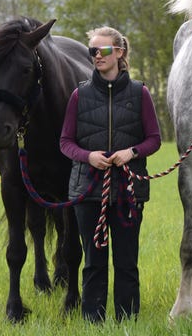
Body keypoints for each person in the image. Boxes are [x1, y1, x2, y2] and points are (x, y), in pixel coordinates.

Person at [60, 26, 161, 323]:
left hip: (129, 191)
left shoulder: (140, 93)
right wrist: (89, 156)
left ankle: (127, 321)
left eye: (103, 50)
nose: (97, 56)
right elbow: (65, 142)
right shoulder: (79, 95)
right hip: (88, 191)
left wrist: (132, 152)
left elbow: (154, 139)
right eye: (92, 51)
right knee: (93, 263)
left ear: (119, 52)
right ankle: (94, 323)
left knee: (127, 263)